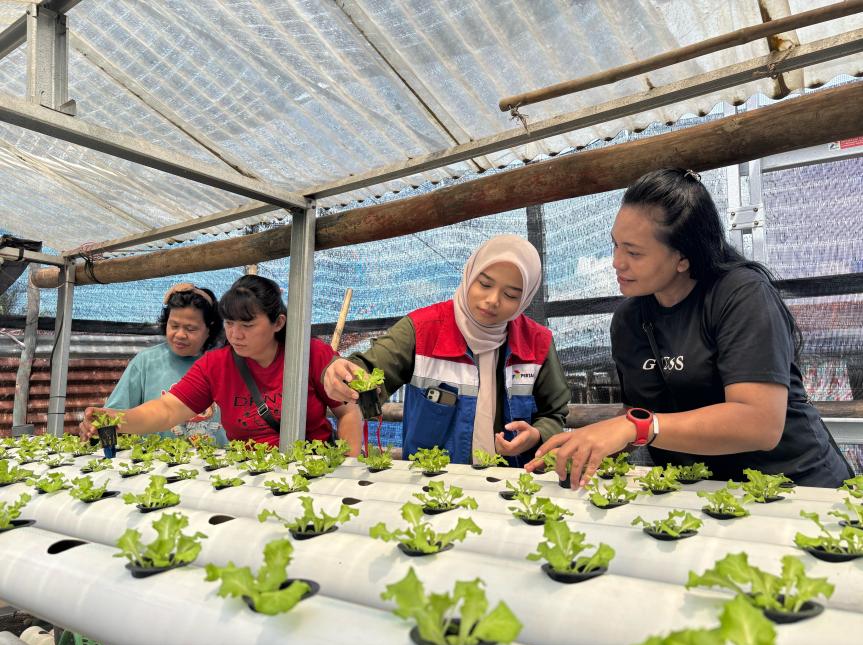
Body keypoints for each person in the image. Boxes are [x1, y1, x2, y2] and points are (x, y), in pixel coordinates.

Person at [527, 168, 854, 488]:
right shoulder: (629, 320)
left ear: (683, 258)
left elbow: (760, 424)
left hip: (798, 486)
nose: (616, 262)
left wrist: (637, 427)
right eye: (615, 245)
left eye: (634, 252)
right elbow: (638, 416)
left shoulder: (740, 294)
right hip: (705, 493)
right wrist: (580, 447)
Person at [324, 235, 570, 465]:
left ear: (525, 298)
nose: (493, 300)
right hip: (434, 485)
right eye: (484, 284)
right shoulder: (422, 330)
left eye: (510, 295)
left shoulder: (538, 343)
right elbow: (367, 367)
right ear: (469, 275)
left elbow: (554, 414)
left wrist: (537, 434)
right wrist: (342, 374)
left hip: (509, 488)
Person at [80, 275, 363, 455]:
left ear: (278, 323)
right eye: (229, 324)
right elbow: (167, 410)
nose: (235, 335)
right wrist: (116, 419)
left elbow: (348, 412)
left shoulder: (309, 353)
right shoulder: (215, 365)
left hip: (312, 471)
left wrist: (348, 469)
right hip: (250, 473)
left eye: (248, 325)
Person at [101, 283, 227, 445]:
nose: (180, 335)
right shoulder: (146, 361)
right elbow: (111, 417)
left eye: (191, 329)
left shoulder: (222, 364)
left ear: (210, 328)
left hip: (214, 466)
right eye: (174, 326)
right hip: (155, 465)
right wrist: (106, 453)